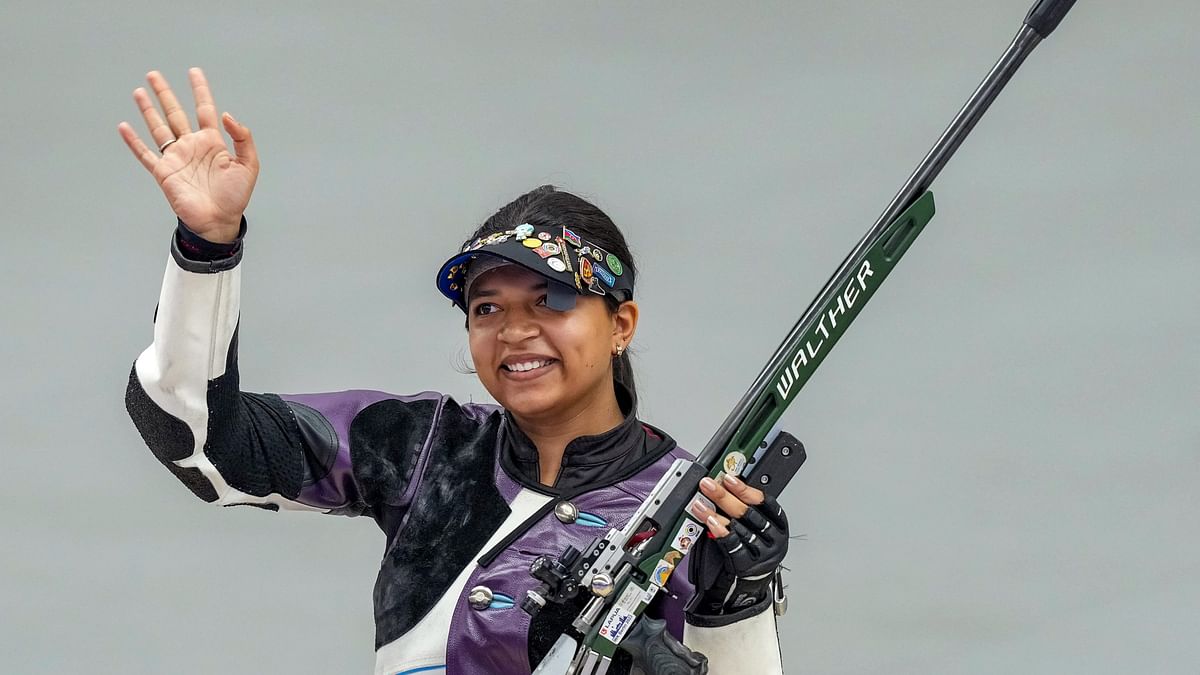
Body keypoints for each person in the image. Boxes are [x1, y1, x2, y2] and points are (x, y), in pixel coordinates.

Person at [120, 67, 790, 675]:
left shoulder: (698, 516)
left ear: (622, 324)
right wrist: (207, 246)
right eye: (486, 306)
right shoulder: (421, 449)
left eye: (551, 300)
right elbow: (197, 436)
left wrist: (741, 601)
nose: (515, 330)